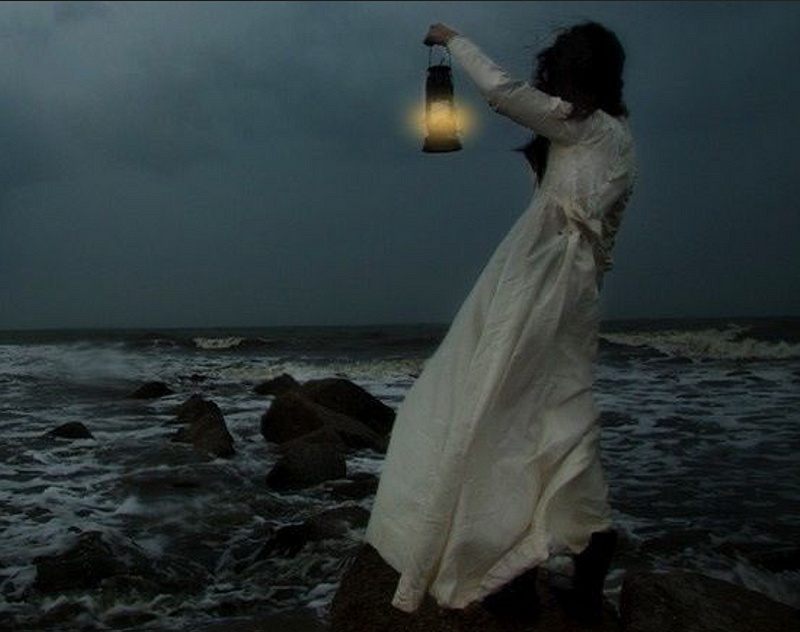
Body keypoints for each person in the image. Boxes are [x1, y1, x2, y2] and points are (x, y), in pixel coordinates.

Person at [364, 20, 637, 625]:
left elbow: (502, 91)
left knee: (500, 407)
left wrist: (452, 39)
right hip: (562, 288)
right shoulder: (611, 136)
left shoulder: (587, 130)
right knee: (556, 412)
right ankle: (576, 546)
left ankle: (513, 554)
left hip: (541, 286)